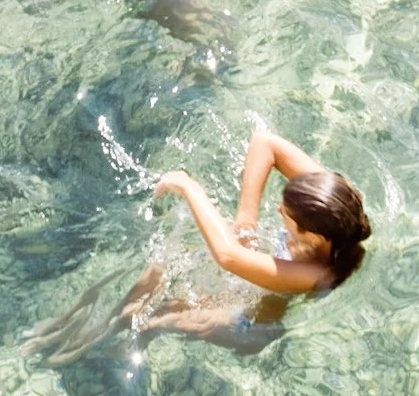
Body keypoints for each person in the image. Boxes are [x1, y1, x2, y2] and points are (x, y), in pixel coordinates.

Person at [22, 128, 370, 361]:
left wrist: (189, 187)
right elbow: (265, 143)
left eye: (286, 215)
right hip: (251, 281)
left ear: (313, 235)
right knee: (160, 264)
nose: (279, 209)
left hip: (247, 323)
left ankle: (86, 347)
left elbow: (228, 257)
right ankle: (84, 324)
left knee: (152, 319)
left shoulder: (314, 272)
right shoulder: (331, 197)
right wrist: (245, 221)